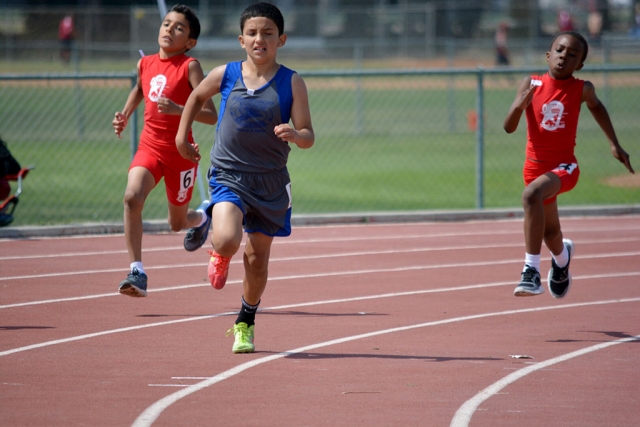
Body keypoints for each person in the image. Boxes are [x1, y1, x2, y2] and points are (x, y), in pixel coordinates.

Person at [176, 2, 314, 353]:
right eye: (252, 33)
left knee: (256, 261)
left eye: (268, 33)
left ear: (281, 39)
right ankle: (218, 249)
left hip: (269, 182)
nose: (259, 39)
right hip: (229, 173)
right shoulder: (227, 74)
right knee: (226, 239)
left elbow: (309, 134)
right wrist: (182, 136)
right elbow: (195, 97)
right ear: (241, 39)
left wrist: (296, 135)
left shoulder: (292, 82)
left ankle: (245, 322)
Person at [503, 31, 634, 298]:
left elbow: (597, 107)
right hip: (534, 168)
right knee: (550, 233)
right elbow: (508, 127)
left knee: (530, 196)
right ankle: (562, 261)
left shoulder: (582, 89)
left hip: (565, 167)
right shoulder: (532, 83)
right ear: (548, 55)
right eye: (560, 50)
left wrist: (614, 143)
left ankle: (531, 272)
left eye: (573, 55)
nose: (565, 56)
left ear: (580, 65)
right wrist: (519, 106)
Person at [111, 4, 217, 298]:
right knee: (132, 197)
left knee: (176, 223)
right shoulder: (145, 64)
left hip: (180, 155)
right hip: (150, 148)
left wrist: (179, 109)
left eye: (178, 27)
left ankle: (202, 217)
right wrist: (124, 115)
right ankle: (137, 271)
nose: (169, 29)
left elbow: (211, 114)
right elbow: (141, 90)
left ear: (190, 41)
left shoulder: (190, 66)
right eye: (166, 24)